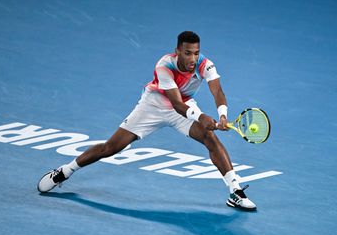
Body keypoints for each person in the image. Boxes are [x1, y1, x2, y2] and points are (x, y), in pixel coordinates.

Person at [37, 31, 257, 211]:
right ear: (178, 51)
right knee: (112, 147)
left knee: (210, 138)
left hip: (185, 104)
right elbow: (176, 105)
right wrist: (200, 116)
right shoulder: (165, 65)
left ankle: (235, 191)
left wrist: (222, 114)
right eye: (188, 53)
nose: (193, 59)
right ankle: (65, 171)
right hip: (154, 105)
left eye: (196, 53)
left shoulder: (205, 65)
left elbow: (217, 90)